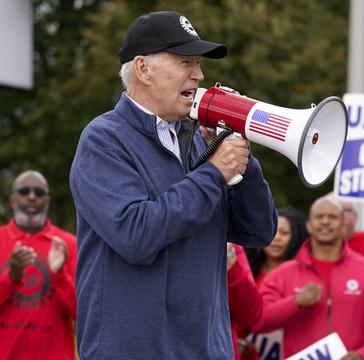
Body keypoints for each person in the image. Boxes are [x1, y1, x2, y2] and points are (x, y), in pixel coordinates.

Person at [69, 11, 277, 359]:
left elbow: (259, 232)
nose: (199, 75)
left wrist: (241, 156)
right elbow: (136, 235)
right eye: (185, 62)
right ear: (143, 68)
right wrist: (213, 172)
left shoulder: (198, 141)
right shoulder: (103, 140)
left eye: (198, 64)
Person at [253, 197, 364, 359]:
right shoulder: (282, 274)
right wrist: (295, 302)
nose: (325, 222)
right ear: (309, 225)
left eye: (333, 217)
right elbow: (259, 320)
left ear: (343, 224)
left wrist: (363, 355)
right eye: (319, 217)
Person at [0, 171, 77, 360]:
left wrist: (59, 274)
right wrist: (11, 277)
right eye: (24, 191)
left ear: (48, 201)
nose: (32, 197)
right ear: (12, 201)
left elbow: (81, 312)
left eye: (39, 192)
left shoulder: (68, 244)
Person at [246, 206, 308, 286]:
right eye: (271, 232)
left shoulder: (303, 273)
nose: (277, 238)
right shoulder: (247, 270)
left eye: (284, 232)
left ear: (296, 237)